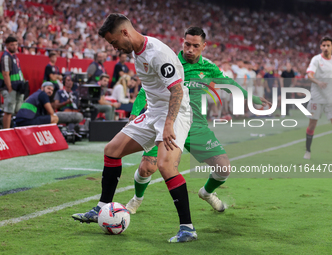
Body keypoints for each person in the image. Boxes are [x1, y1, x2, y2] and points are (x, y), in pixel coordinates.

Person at [72, 13, 195, 243]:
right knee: (112, 150)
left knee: (165, 165)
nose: (115, 47)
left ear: (125, 32)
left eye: (114, 42)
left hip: (175, 111)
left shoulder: (157, 53)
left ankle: (187, 228)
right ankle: (101, 208)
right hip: (153, 112)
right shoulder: (137, 53)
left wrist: (168, 125)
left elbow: (177, 91)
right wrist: (139, 116)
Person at [124, 27, 270, 219]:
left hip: (196, 125)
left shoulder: (208, 67)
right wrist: (135, 113)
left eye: (195, 46)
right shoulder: (169, 62)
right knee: (147, 167)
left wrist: (253, 99)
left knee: (223, 168)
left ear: (204, 46)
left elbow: (228, 85)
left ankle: (207, 193)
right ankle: (136, 199)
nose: (190, 49)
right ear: (182, 42)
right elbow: (145, 91)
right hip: (166, 122)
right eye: (187, 44)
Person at [304, 36, 332, 160]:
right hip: (317, 98)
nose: (325, 47)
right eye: (323, 45)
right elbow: (309, 75)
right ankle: (308, 150)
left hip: (331, 98)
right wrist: (318, 82)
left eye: (328, 45)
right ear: (320, 47)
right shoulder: (316, 60)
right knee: (312, 125)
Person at [0, 36, 25, 129]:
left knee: (17, 109)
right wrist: (9, 88)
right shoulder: (6, 56)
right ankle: (6, 131)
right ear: (6, 45)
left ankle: (14, 129)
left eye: (16, 44)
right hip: (10, 88)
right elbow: (5, 74)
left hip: (17, 87)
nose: (15, 47)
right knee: (8, 111)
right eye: (12, 45)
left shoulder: (14, 56)